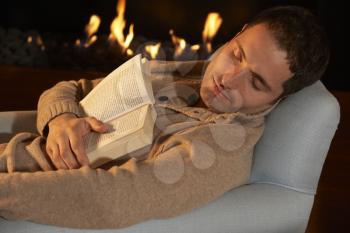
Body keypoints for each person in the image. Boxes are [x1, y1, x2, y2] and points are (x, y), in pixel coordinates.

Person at [0, 5, 329, 229]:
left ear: (278, 97)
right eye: (237, 54)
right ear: (236, 34)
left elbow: (111, 200)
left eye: (255, 82)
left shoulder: (217, 152)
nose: (228, 78)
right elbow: (74, 87)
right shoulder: (188, 74)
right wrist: (61, 121)